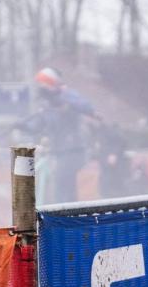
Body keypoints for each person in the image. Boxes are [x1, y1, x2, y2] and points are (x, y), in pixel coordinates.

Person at [15, 67, 97, 204]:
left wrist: (64, 101)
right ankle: (66, 212)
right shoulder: (47, 104)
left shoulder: (67, 94)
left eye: (45, 84)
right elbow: (37, 126)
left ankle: (66, 214)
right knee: (61, 185)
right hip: (58, 151)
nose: (43, 88)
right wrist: (23, 126)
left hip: (73, 149)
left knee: (63, 184)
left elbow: (87, 107)